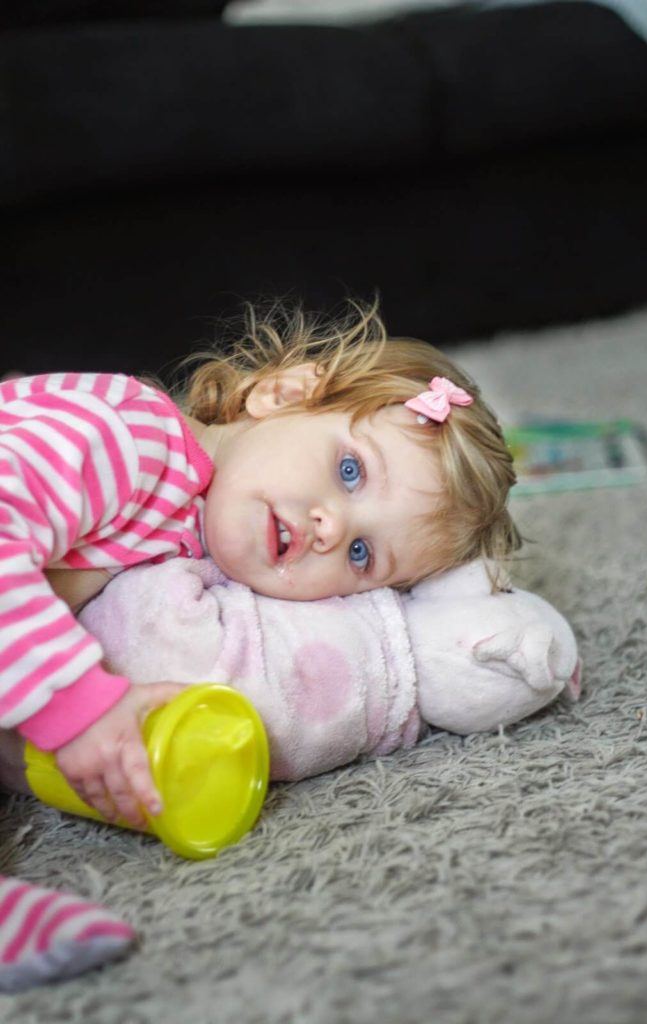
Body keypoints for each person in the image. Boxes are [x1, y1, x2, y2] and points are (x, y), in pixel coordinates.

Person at [0, 299, 518, 988]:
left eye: (362, 554)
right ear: (282, 393)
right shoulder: (132, 437)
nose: (332, 526)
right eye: (350, 471)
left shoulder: (198, 527)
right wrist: (81, 710)